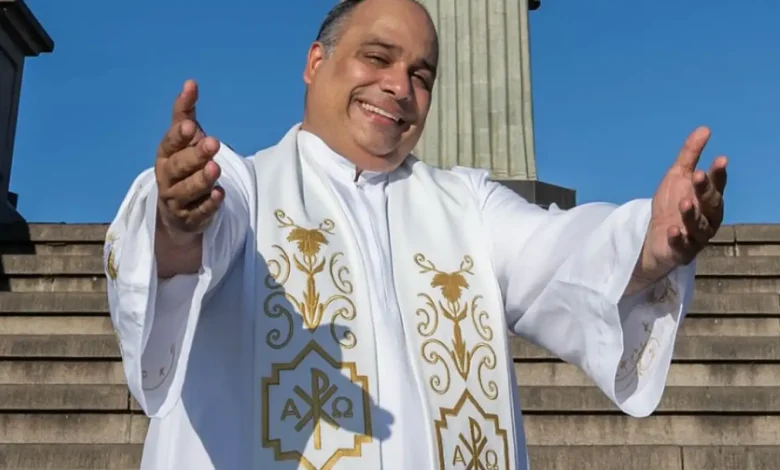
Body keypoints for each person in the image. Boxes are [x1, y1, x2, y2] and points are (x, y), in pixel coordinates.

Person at [104, 0, 728, 468]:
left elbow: (557, 251)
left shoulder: (466, 204)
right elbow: (192, 244)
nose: (400, 87)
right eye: (376, 58)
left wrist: (647, 244)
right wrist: (177, 221)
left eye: (421, 75)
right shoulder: (246, 186)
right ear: (315, 62)